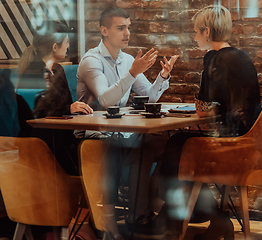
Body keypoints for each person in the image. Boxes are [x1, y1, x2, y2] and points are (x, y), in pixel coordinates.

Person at [159, 5, 262, 240]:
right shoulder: (242, 55)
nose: (194, 38)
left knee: (177, 144)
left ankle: (201, 216)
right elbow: (236, 100)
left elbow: (202, 111)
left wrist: (206, 97)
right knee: (180, 144)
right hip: (251, 140)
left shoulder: (213, 58)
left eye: (195, 32)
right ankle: (198, 216)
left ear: (206, 32)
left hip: (231, 144)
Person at [76, 7, 178, 240]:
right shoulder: (91, 61)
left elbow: (148, 98)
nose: (127, 33)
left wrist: (162, 77)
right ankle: (126, 217)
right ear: (104, 30)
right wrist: (131, 74)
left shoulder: (128, 60)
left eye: (128, 27)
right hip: (92, 137)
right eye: (121, 28)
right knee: (138, 145)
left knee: (159, 145)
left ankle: (139, 215)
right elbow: (104, 99)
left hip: (119, 133)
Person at [17, 21, 93, 175]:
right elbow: (35, 114)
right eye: (66, 42)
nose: (68, 47)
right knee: (93, 154)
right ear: (54, 46)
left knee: (99, 147)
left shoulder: (57, 72)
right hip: (42, 142)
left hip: (60, 138)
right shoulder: (32, 73)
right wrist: (69, 108)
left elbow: (63, 108)